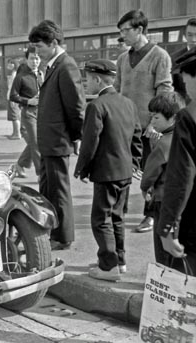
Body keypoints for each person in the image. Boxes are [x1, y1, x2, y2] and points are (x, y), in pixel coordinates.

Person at [74, 59, 142, 281]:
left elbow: (90, 142)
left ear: (97, 79)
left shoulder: (96, 106)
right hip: (124, 171)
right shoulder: (128, 103)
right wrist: (134, 163)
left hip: (106, 173)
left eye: (87, 79)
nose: (86, 83)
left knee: (101, 220)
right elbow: (137, 136)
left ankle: (108, 266)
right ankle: (119, 261)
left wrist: (82, 169)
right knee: (117, 218)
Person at [153, 48, 196, 343]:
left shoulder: (189, 117)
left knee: (182, 292)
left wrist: (169, 227)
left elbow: (181, 178)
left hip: (192, 224)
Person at [114, 9, 173, 233]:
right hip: (125, 127)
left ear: (140, 29)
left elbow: (164, 91)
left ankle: (150, 215)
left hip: (149, 129)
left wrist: (154, 123)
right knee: (123, 170)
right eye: (120, 32)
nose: (123, 35)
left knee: (151, 172)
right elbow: (118, 90)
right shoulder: (122, 59)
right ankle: (120, 210)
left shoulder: (160, 56)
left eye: (126, 31)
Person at [29, 20, 85, 250]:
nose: (37, 52)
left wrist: (76, 137)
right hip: (49, 141)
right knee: (48, 189)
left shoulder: (66, 66)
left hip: (59, 141)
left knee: (59, 191)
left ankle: (63, 237)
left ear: (53, 43)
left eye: (39, 47)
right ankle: (52, 231)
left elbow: (76, 107)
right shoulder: (54, 65)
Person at [140, 93, 186, 270]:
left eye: (157, 117)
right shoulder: (185, 137)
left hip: (163, 200)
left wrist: (145, 189)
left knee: (162, 246)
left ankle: (165, 280)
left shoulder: (164, 143)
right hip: (182, 201)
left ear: (172, 118)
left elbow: (150, 173)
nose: (153, 121)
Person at [9, 46, 43, 178]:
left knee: (36, 142)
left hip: (42, 113)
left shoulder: (42, 73)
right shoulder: (21, 77)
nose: (35, 61)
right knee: (36, 143)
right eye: (32, 58)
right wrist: (28, 101)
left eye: (37, 58)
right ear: (27, 59)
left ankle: (19, 165)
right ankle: (41, 174)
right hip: (28, 113)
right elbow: (13, 96)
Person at [169, 18, 196, 103]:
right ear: (185, 35)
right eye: (190, 35)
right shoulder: (174, 58)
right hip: (184, 107)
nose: (194, 39)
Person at [6, 58, 22, 139]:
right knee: (13, 116)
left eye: (11, 63)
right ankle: (15, 133)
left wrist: (12, 98)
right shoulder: (13, 73)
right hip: (12, 97)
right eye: (8, 63)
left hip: (13, 97)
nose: (9, 65)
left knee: (14, 115)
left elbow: (14, 87)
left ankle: (17, 134)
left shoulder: (14, 74)